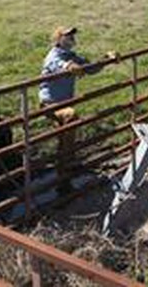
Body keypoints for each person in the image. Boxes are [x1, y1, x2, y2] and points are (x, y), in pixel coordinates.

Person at [39, 26, 118, 193]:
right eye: (68, 36)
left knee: (64, 137)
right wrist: (68, 66)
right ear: (58, 39)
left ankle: (64, 177)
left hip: (63, 103)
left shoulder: (72, 56)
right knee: (71, 117)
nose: (72, 38)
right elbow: (56, 65)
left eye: (72, 35)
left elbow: (90, 68)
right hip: (50, 104)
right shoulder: (54, 56)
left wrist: (106, 59)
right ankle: (68, 163)